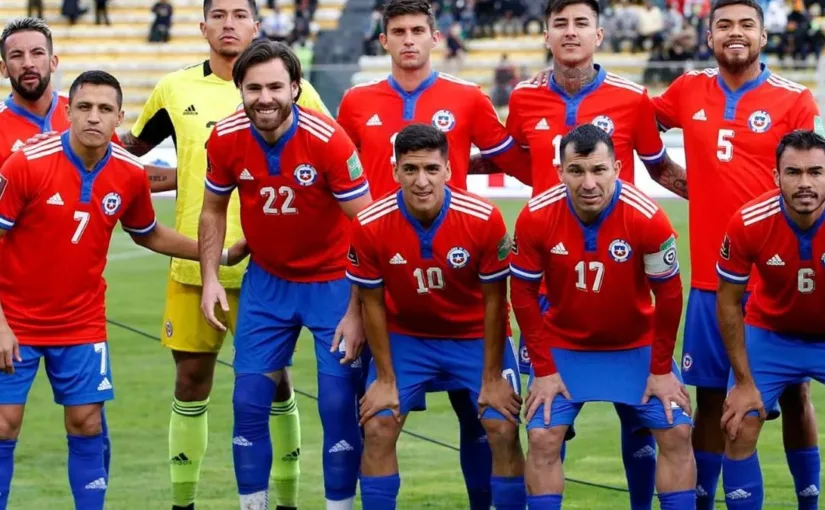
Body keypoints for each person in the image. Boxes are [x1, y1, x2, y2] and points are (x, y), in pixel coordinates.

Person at [0, 70, 247, 510]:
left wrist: (220, 255)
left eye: (104, 109)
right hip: (13, 321)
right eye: (84, 108)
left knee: (86, 421)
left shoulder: (129, 173)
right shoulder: (25, 163)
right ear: (69, 111)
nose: (93, 118)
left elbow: (149, 233)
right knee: (4, 424)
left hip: (81, 323)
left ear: (119, 117)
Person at [119, 1, 330, 507]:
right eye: (219, 14)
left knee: (276, 385)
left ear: (256, 26)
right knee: (190, 382)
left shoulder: (289, 87)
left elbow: (326, 159)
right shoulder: (174, 89)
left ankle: (285, 499)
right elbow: (131, 157)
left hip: (270, 268)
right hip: (198, 265)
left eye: (240, 14)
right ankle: (183, 500)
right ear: (203, 26)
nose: (229, 23)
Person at [336, 2, 531, 505]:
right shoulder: (357, 101)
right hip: (392, 289)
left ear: (435, 36)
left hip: (462, 277)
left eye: (417, 30)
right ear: (382, 40)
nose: (407, 40)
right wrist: (353, 308)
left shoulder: (467, 98)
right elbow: (338, 183)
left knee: (489, 422)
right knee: (374, 422)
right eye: (397, 31)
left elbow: (516, 160)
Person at [514, 1, 688, 506]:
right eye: (561, 24)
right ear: (546, 34)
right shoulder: (524, 97)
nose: (571, 33)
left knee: (656, 427)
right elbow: (505, 155)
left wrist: (729, 208)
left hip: (628, 305)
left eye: (581, 23)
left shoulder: (633, 100)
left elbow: (661, 170)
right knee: (545, 431)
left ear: (601, 34)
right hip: (557, 308)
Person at [653, 0, 823, 506]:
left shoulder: (794, 99)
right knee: (710, 401)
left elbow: (805, 173)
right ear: (708, 37)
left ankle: (807, 499)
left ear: (763, 36)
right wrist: (678, 181)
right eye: (723, 25)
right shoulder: (687, 89)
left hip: (775, 276)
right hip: (711, 276)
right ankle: (704, 501)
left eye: (746, 25)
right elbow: (641, 129)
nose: (735, 33)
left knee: (794, 395)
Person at [199, 40, 372, 510]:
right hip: (267, 284)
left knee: (338, 406)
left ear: (295, 88)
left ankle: (338, 505)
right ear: (239, 90)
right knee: (247, 404)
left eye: (276, 85)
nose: (265, 97)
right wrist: (211, 277)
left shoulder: (329, 139)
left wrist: (358, 308)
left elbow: (369, 225)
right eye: (253, 87)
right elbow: (213, 209)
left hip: (333, 284)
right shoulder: (226, 137)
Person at [348, 123, 526, 510]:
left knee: (503, 427)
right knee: (378, 426)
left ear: (448, 169)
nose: (421, 181)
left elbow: (496, 301)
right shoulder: (369, 223)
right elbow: (372, 303)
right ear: (395, 171)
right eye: (410, 169)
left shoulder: (483, 218)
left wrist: (493, 377)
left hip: (474, 336)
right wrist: (384, 378)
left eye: (431, 168)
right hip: (407, 337)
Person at [716, 130, 825, 509]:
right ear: (776, 176)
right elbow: (729, 302)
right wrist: (744, 383)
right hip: (771, 333)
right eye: (793, 172)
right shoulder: (748, 221)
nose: (805, 183)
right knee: (738, 422)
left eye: (816, 172)